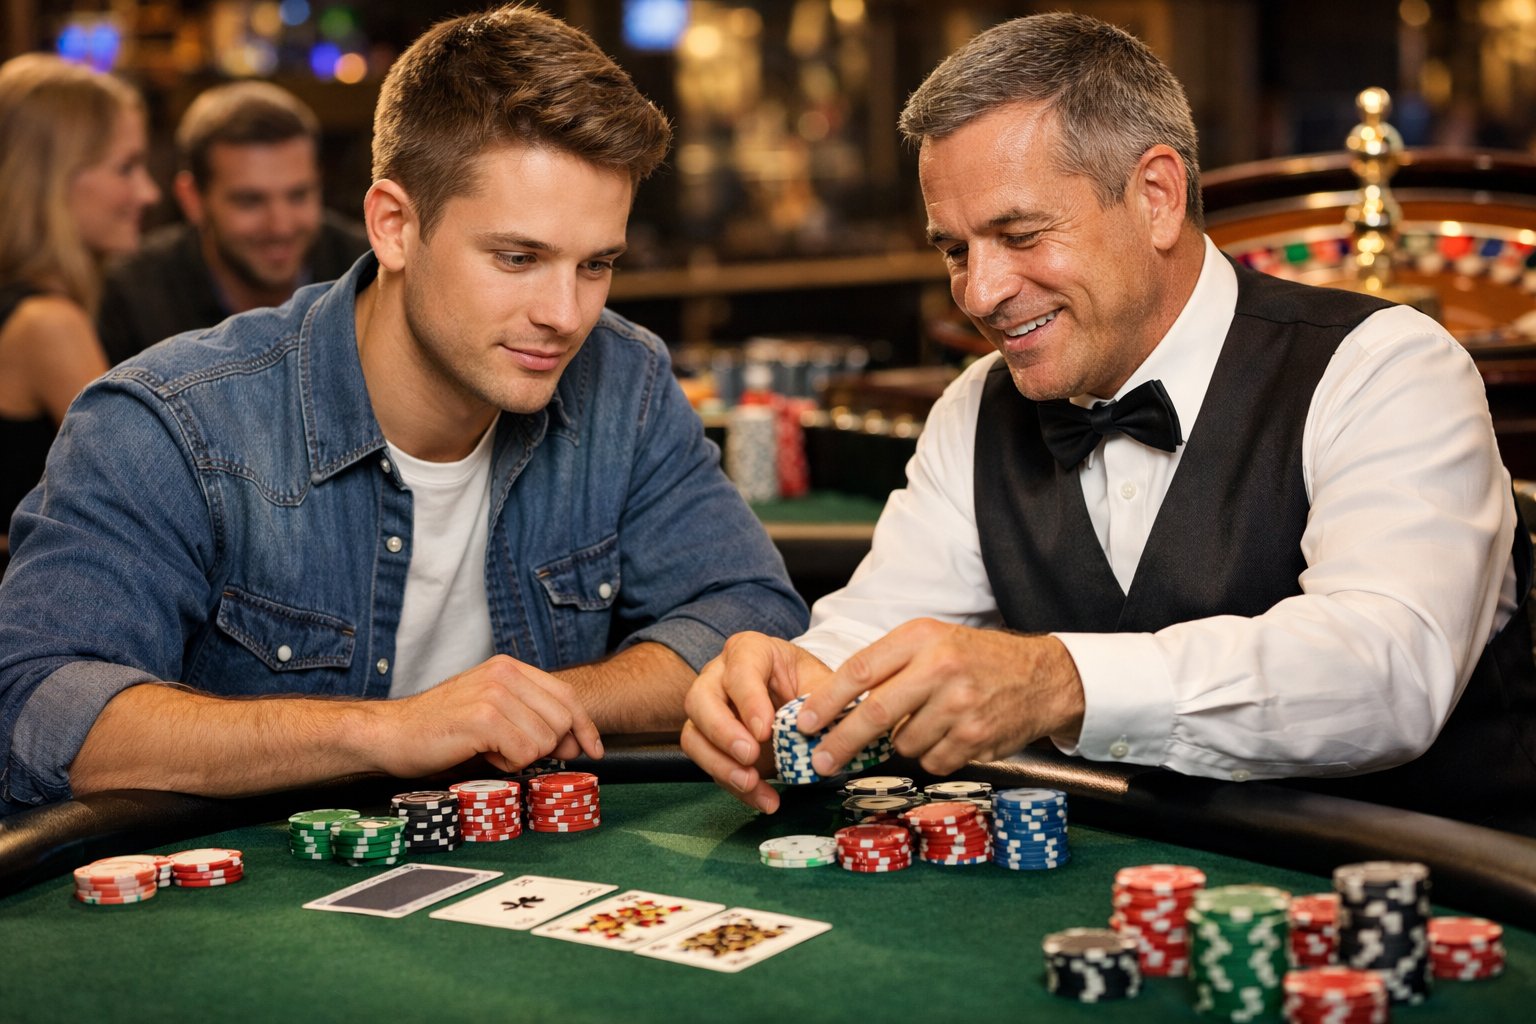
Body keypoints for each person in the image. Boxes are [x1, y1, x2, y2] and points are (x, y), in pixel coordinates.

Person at [682, 12, 1536, 833]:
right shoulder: (977, 406)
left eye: (1020, 234)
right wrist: (797, 682)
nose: (980, 293)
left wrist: (1062, 680)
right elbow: (878, 630)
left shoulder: (1387, 367)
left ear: (1158, 196)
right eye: (955, 250)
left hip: (1435, 889)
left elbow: (1385, 674)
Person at [0, 5, 807, 816]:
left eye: (595, 265)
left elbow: (750, 611)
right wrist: (387, 732)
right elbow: (38, 706)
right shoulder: (170, 422)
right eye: (517, 258)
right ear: (393, 226)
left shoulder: (622, 380)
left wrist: (542, 705)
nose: (565, 314)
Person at [0, 54, 159, 573]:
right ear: (53, 179)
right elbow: (150, 499)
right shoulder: (46, 325)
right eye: (126, 167)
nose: (148, 192)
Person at [97, 80, 370, 364]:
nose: (281, 226)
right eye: (250, 201)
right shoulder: (136, 294)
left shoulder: (368, 272)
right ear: (192, 199)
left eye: (298, 195)